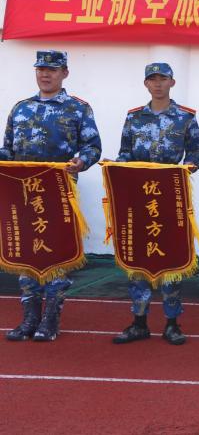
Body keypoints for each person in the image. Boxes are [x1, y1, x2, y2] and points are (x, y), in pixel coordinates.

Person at [3, 50, 102, 342]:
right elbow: (8, 148)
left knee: (57, 254)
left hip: (59, 192)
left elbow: (93, 146)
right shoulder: (21, 108)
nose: (45, 74)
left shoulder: (78, 109)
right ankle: (29, 318)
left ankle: (50, 319)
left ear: (64, 73)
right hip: (23, 193)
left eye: (52, 70)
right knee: (27, 254)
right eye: (41, 69)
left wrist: (81, 162)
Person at [111, 63, 199, 347]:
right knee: (138, 256)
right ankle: (139, 322)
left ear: (172, 82)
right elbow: (125, 153)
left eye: (162, 79)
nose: (157, 84)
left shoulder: (185, 117)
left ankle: (172, 323)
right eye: (152, 79)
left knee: (172, 258)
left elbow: (197, 152)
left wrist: (186, 168)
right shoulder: (134, 117)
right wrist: (116, 166)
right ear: (146, 84)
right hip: (138, 198)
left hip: (170, 197)